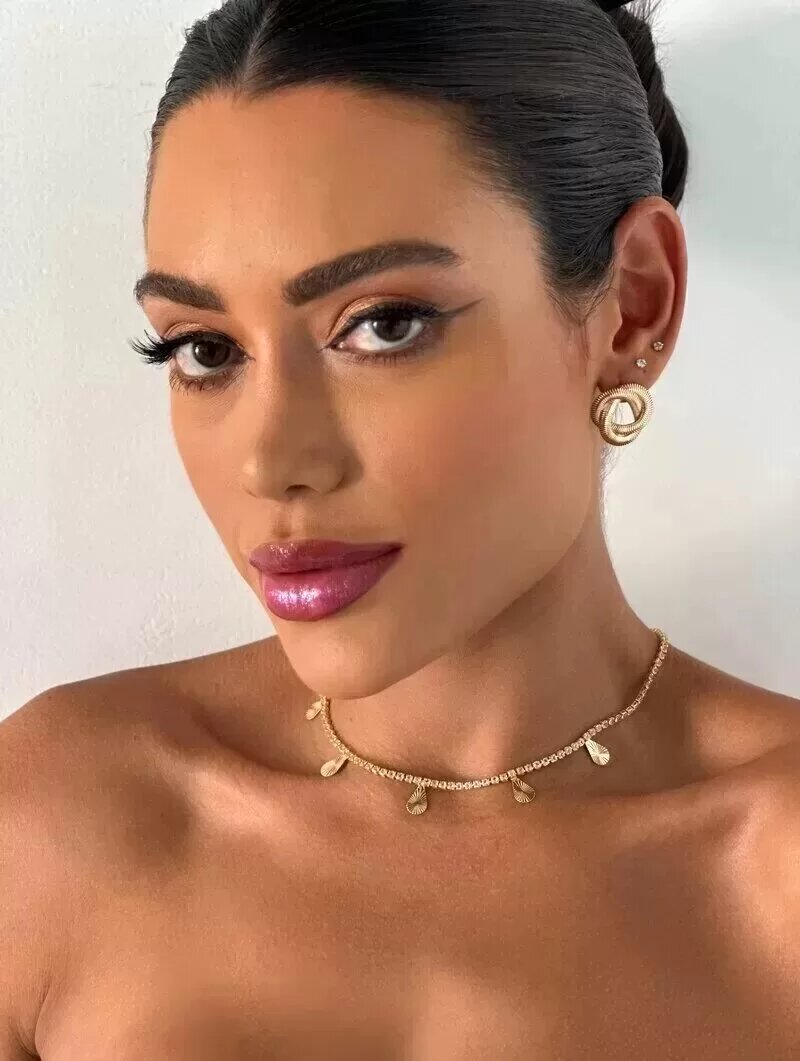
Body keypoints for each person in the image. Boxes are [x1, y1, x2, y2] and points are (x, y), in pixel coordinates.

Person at [2, 0, 799, 1056]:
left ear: (633, 308)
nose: (271, 463)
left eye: (383, 325)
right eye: (204, 349)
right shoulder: (55, 818)